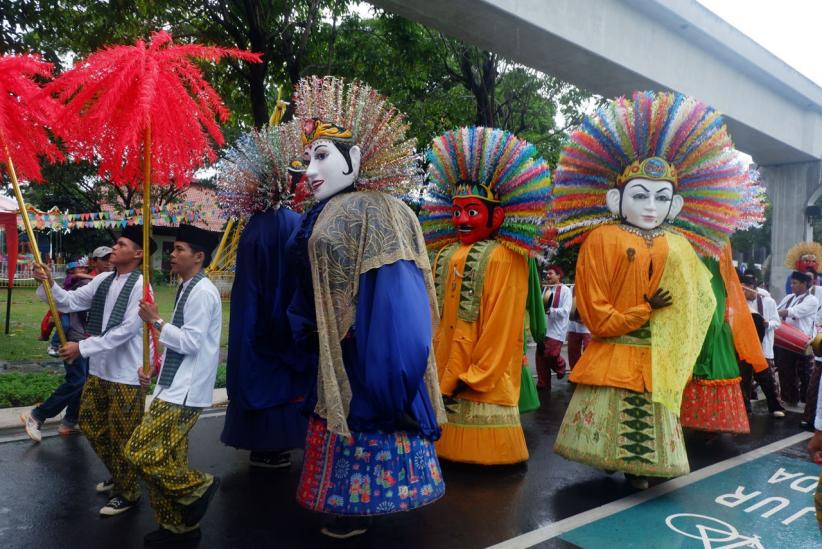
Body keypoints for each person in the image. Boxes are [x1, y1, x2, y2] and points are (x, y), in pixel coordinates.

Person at [550, 91, 760, 489]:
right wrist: (641, 311)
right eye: (640, 195)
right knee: (612, 420)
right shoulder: (602, 238)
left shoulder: (679, 246)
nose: (650, 206)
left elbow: (697, 305)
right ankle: (619, 462)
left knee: (647, 428)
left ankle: (639, 468)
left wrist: (684, 346)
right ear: (616, 199)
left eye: (661, 197)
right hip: (615, 352)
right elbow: (595, 310)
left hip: (658, 361)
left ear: (675, 206)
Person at [288, 76, 446, 539]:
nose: (310, 170)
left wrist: (387, 363)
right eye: (308, 158)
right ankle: (345, 507)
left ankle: (364, 508)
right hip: (332, 350)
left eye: (322, 156)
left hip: (367, 351)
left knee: (367, 416)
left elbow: (397, 297)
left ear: (354, 158)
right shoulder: (320, 213)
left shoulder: (380, 210)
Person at [421, 126, 551, 466]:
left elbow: (503, 323)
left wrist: (477, 373)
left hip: (482, 374)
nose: (462, 220)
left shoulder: (506, 256)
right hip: (446, 364)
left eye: (472, 211)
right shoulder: (445, 253)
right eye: (457, 211)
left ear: (498, 215)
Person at [31, 225, 153, 516]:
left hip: (126, 373)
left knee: (122, 435)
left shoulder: (142, 286)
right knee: (89, 422)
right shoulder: (103, 280)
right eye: (116, 244)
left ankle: (128, 492)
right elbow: (70, 301)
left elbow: (126, 330)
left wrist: (82, 348)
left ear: (138, 254)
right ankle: (120, 472)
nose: (114, 249)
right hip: (100, 370)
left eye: (121, 245)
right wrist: (49, 282)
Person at [216, 120, 313, 468]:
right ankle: (283, 443)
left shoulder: (253, 227)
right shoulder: (297, 223)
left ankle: (262, 445)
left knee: (259, 374)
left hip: (255, 321)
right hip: (287, 320)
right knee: (286, 380)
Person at [125, 223, 222, 545]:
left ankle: (197, 486)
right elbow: (180, 341)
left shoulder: (202, 292)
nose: (172, 254)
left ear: (198, 256)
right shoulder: (187, 286)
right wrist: (156, 369)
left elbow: (191, 343)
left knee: (139, 452)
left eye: (180, 249)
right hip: (173, 384)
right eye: (174, 248)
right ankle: (177, 526)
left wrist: (155, 320)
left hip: (185, 391)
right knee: (168, 460)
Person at [679, 241, 769, 434]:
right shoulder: (713, 257)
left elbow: (713, 320)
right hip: (712, 336)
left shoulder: (712, 273)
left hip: (711, 340)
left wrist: (702, 362)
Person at [21, 258, 93, 439]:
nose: (108, 263)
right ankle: (38, 415)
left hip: (91, 342)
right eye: (104, 259)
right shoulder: (86, 282)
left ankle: (69, 421)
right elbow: (66, 300)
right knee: (77, 381)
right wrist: (49, 281)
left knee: (84, 382)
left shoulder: (103, 279)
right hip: (75, 339)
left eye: (85, 267)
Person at [739, 273, 786, 417]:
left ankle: (775, 407)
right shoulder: (740, 301)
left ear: (752, 288)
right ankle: (746, 408)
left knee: (767, 378)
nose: (743, 293)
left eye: (745, 290)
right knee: (744, 379)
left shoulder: (768, 301)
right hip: (746, 347)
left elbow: (777, 322)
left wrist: (767, 324)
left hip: (763, 347)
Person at [775, 271, 818, 406]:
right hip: (786, 341)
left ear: (804, 284)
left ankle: (807, 403)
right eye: (792, 282)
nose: (791, 285)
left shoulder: (812, 300)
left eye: (795, 283)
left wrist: (772, 312)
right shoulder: (788, 297)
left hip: (804, 342)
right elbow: (778, 309)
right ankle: (790, 400)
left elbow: (793, 312)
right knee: (785, 371)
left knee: (805, 374)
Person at [536, 265, 571, 389]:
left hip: (557, 331)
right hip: (544, 329)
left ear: (558, 275)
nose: (547, 275)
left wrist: (551, 311)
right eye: (547, 273)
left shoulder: (566, 290)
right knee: (540, 358)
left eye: (550, 273)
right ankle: (543, 384)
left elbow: (566, 311)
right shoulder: (546, 289)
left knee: (551, 354)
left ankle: (561, 366)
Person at [566, 286, 592, 371]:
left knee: (588, 350)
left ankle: (586, 372)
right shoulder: (571, 289)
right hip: (573, 324)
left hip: (588, 325)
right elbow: (567, 305)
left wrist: (586, 317)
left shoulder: (591, 286)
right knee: (572, 351)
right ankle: (575, 372)